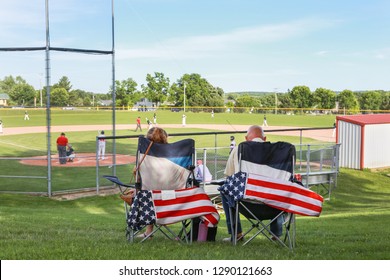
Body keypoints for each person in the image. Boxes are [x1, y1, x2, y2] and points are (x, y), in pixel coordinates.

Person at [222, 125, 283, 242]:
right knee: (276, 187)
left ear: (246, 138)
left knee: (225, 190)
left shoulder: (238, 149)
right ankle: (276, 233)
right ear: (264, 139)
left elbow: (229, 176)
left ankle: (237, 233)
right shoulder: (277, 152)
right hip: (272, 207)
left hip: (246, 204)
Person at [136, 127, 169, 239]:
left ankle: (148, 231)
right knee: (153, 190)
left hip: (148, 200)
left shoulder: (144, 157)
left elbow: (139, 180)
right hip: (173, 199)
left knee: (146, 191)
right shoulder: (174, 155)